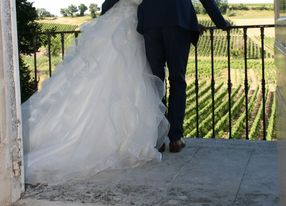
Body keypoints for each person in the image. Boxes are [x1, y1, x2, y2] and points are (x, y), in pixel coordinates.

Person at [22, 0, 169, 185]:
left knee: (127, 81)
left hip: (128, 24)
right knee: (112, 77)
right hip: (125, 27)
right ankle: (116, 140)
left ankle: (125, 137)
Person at [103, 0, 230, 153]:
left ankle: (159, 138)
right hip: (178, 19)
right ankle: (176, 138)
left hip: (150, 22)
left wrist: (104, 12)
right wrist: (221, 22)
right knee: (177, 80)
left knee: (155, 82)